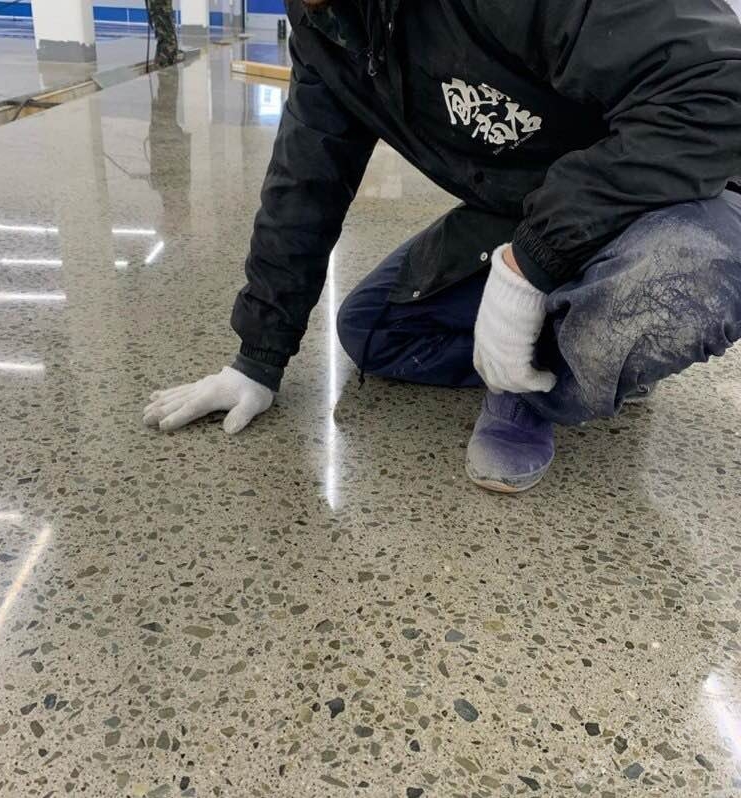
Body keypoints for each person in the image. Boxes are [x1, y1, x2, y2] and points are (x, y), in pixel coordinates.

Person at [144, 0, 741, 493]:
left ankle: (536, 388)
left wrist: (531, 264)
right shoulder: (326, 23)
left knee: (672, 287)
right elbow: (306, 179)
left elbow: (718, 89)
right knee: (376, 330)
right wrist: (257, 357)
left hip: (683, 184)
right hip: (531, 200)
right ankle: (580, 349)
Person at [147, 0, 179, 68]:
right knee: (167, 41)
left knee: (169, 40)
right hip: (160, 9)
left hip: (164, 9)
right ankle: (163, 65)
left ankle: (163, 65)